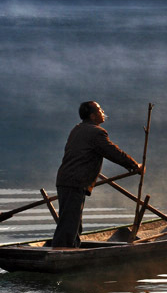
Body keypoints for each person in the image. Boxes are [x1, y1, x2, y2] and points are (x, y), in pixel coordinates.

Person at [51, 101, 143, 248]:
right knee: (69, 223)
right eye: (100, 110)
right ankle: (60, 252)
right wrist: (134, 165)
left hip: (66, 180)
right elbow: (113, 152)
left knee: (72, 222)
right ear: (93, 116)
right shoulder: (96, 132)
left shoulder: (77, 129)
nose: (103, 112)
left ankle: (71, 249)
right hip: (75, 181)